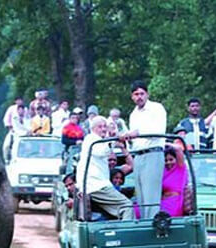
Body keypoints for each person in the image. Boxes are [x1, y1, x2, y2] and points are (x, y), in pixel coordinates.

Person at [122, 80, 167, 219]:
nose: (139, 97)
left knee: (151, 196)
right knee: (140, 195)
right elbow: (134, 140)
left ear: (147, 94)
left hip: (153, 153)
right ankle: (144, 225)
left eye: (142, 93)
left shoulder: (156, 108)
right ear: (132, 97)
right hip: (138, 156)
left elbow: (158, 130)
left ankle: (152, 227)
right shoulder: (133, 114)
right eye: (136, 94)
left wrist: (137, 132)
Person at [77, 115, 134, 220]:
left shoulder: (100, 141)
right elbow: (102, 152)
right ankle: (126, 234)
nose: (103, 129)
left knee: (119, 209)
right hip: (96, 186)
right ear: (92, 129)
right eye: (100, 127)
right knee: (127, 206)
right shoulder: (92, 139)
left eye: (104, 126)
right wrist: (113, 140)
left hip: (98, 185)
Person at [160, 144, 189, 217]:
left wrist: (162, 143)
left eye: (171, 159)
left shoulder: (180, 168)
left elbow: (178, 148)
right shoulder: (163, 171)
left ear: (176, 159)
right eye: (166, 160)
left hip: (174, 203)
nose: (168, 162)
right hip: (161, 202)